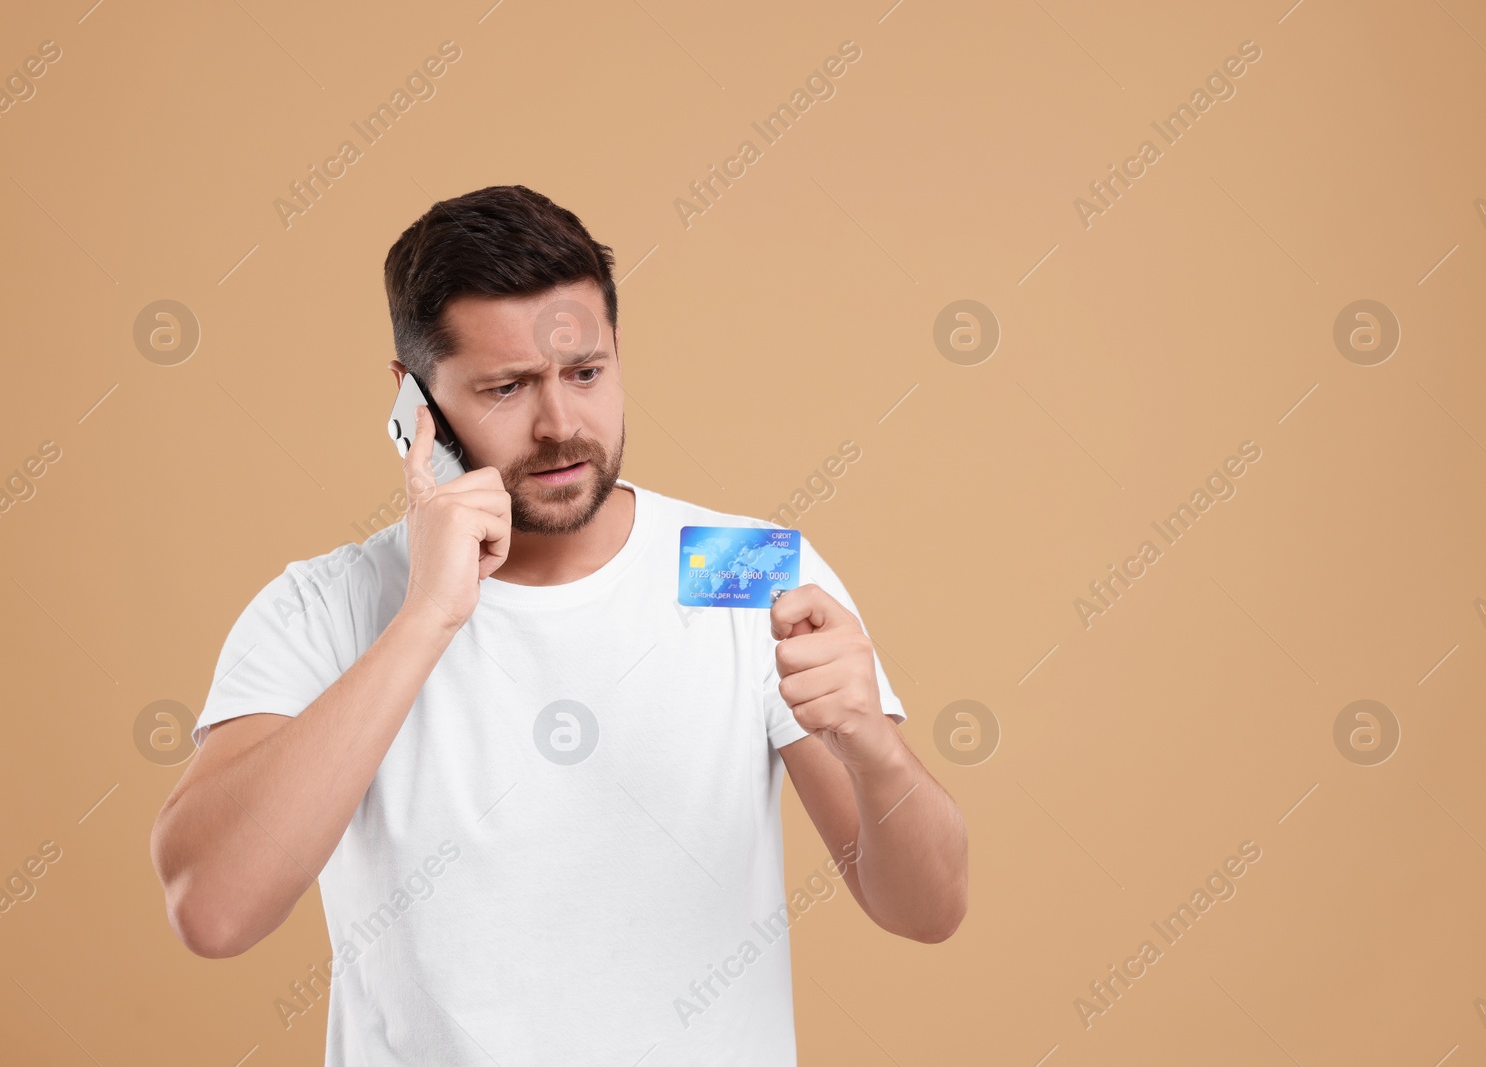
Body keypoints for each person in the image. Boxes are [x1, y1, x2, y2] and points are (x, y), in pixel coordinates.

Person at [149, 184, 968, 1065]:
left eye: (586, 373)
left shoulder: (740, 568)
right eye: (507, 387)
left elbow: (928, 909)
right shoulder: (327, 605)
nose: (563, 424)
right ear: (413, 407)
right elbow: (214, 909)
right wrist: (429, 614)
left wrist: (873, 752)